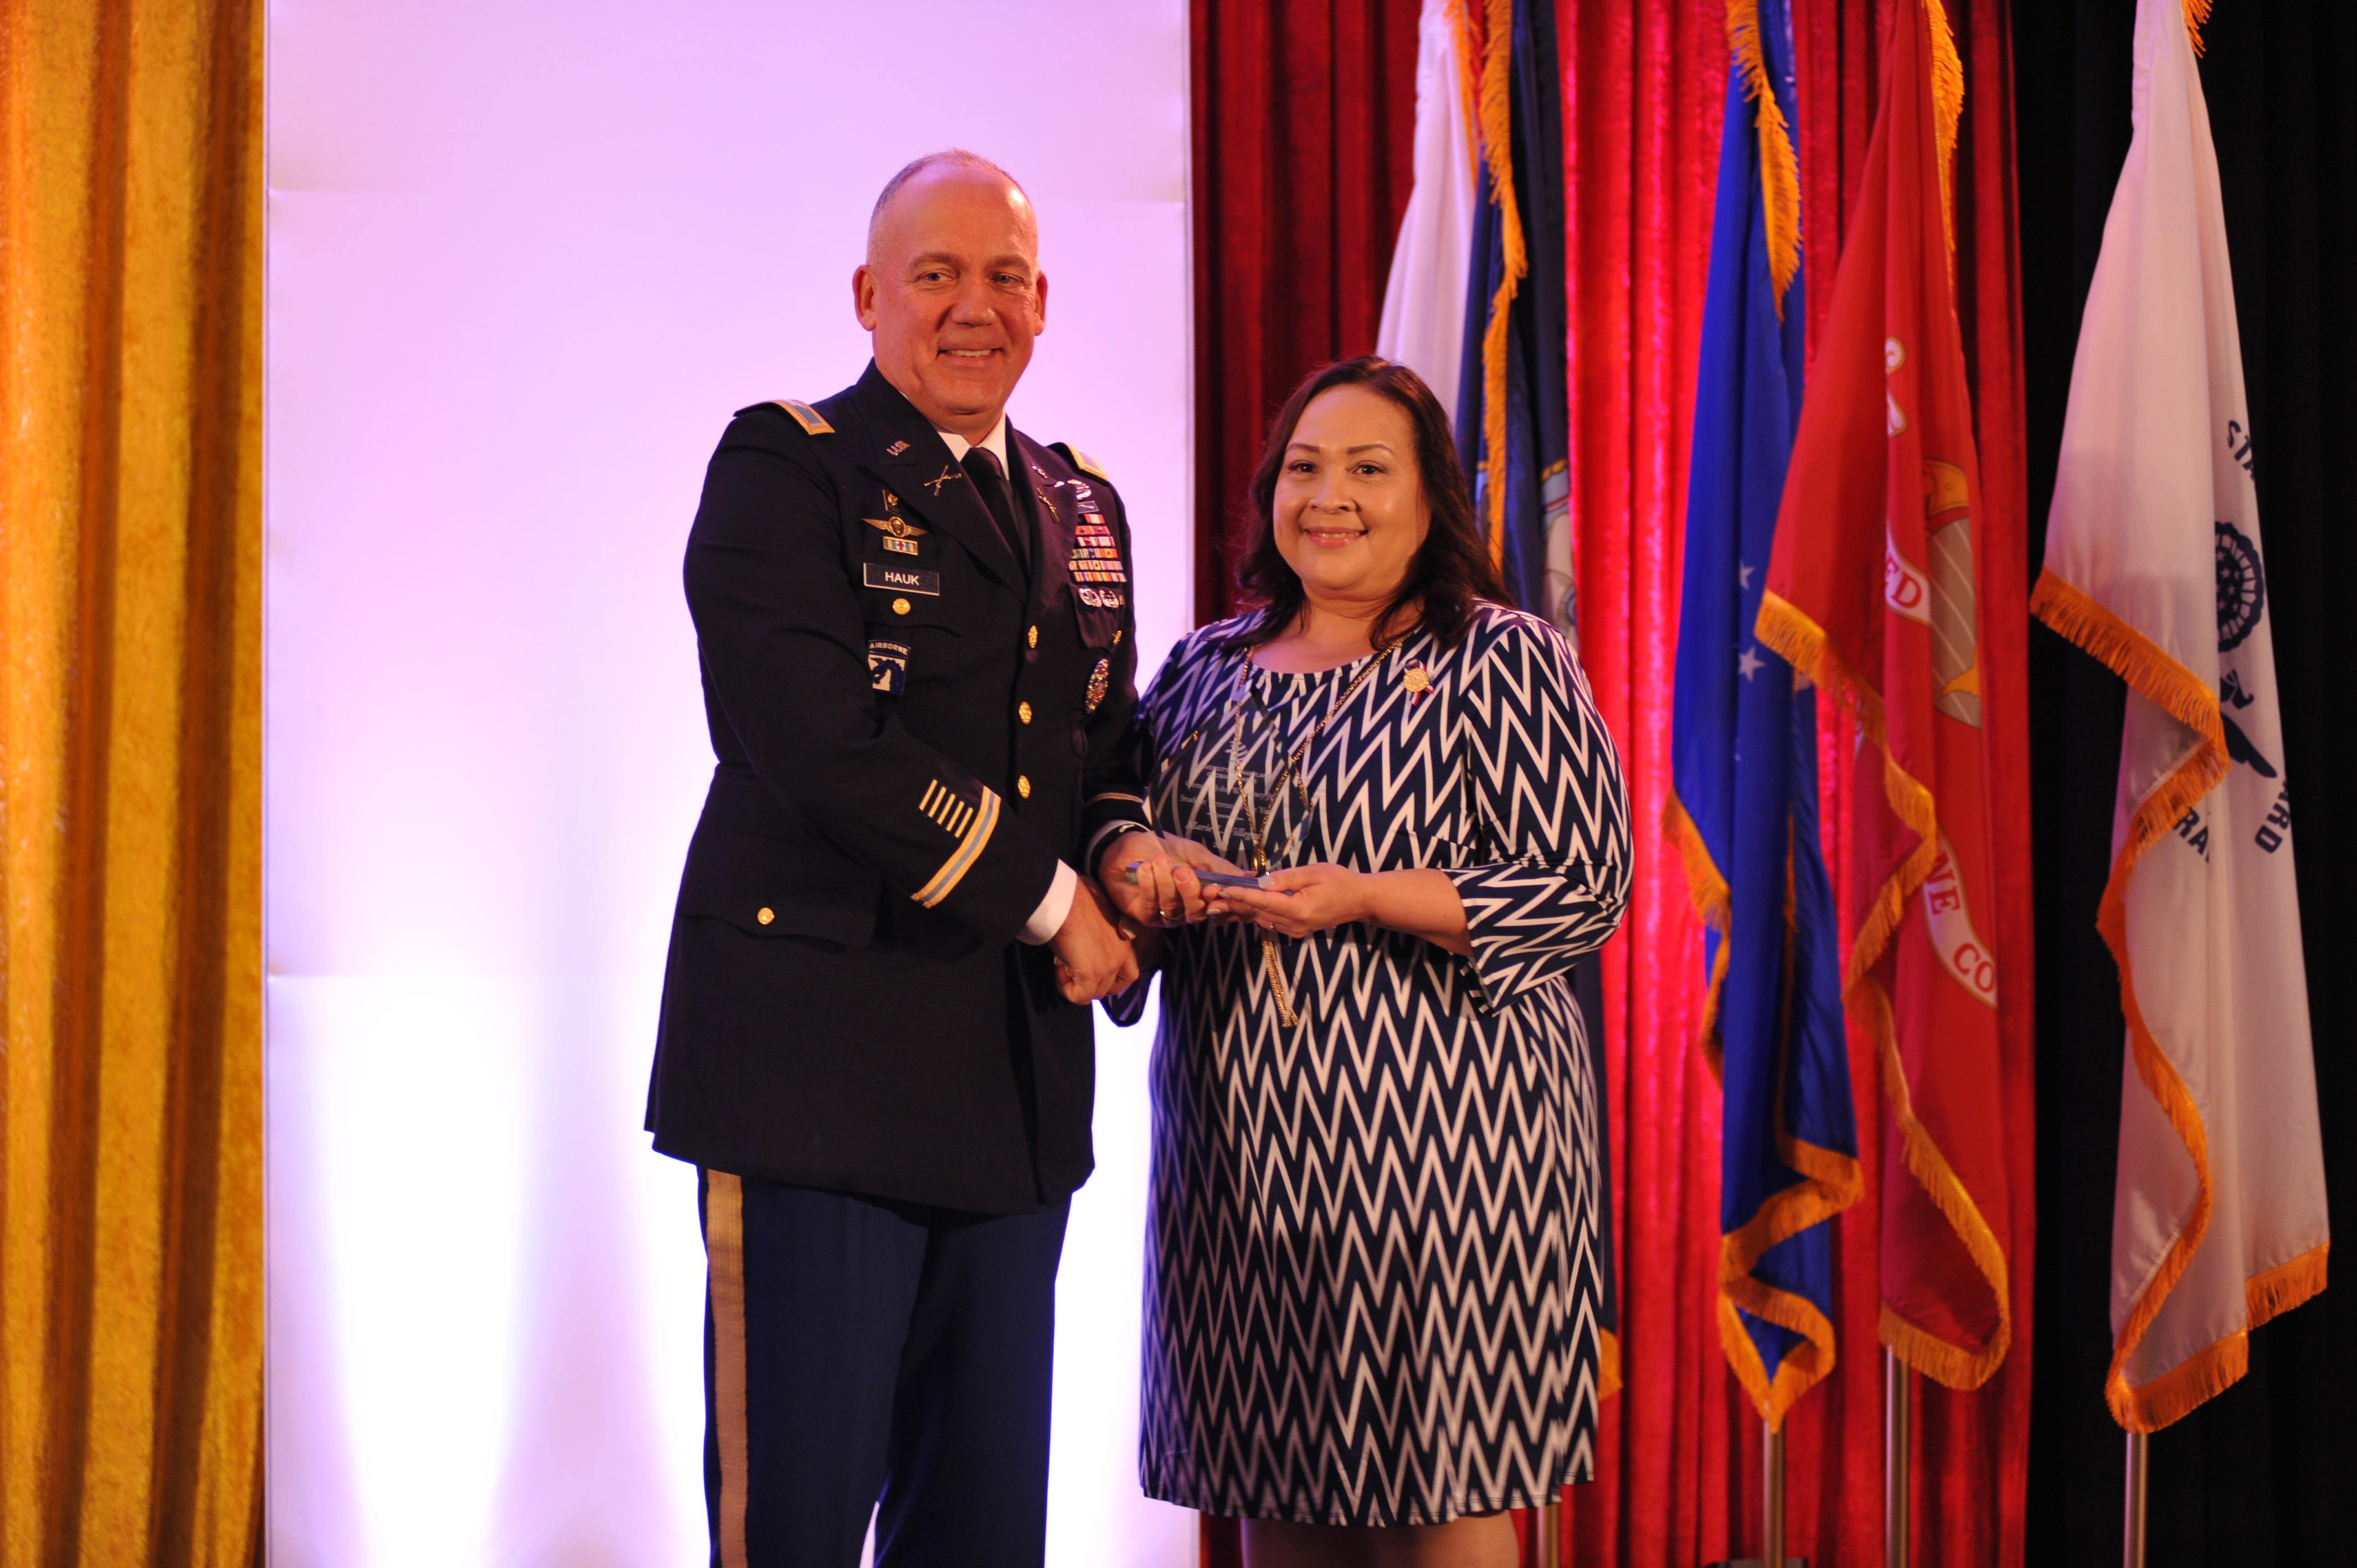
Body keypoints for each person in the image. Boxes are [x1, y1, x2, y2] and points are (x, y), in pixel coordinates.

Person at [644, 149, 1167, 1568]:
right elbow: (822, 745)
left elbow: (1102, 748)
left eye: (1002, 276)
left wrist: (1120, 855)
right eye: (934, 274)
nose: (970, 306)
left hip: (1010, 1099)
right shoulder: (783, 465)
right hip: (814, 1089)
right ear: (870, 296)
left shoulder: (1081, 507)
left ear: (1044, 302)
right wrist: (1058, 902)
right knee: (798, 1527)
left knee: (981, 1534)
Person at [1099, 357, 1632, 1567]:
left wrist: (1365, 897)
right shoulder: (1201, 671)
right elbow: (1117, 831)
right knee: (1270, 1483)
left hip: (1452, 1168)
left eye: (1367, 469)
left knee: (1443, 1493)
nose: (1327, 496)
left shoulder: (1503, 660)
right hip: (1236, 1173)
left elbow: (1586, 882)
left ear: (1431, 499)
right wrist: (1145, 860)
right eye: (1304, 467)